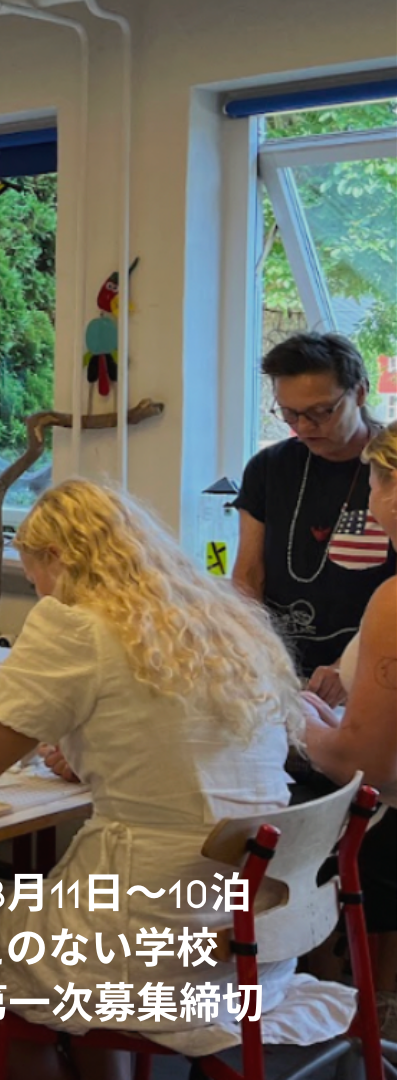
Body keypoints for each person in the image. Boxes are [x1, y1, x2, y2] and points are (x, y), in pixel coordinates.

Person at [0, 479, 346, 1077]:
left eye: (34, 576)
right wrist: (87, 752)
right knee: (59, 917)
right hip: (251, 942)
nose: (38, 591)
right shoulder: (223, 623)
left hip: (148, 942)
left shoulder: (74, 623)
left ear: (58, 558)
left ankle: (37, 1062)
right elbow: (174, 748)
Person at [295, 422, 397, 1036]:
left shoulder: (394, 601)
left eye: (374, 483)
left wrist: (305, 725)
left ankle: (317, 1018)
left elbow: (368, 764)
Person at [234, 332, 392, 697]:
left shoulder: (389, 468)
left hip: (377, 668)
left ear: (360, 392)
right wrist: (252, 651)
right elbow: (249, 574)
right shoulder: (268, 468)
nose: (304, 427)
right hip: (282, 670)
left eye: (321, 412)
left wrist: (348, 666)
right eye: (289, 413)